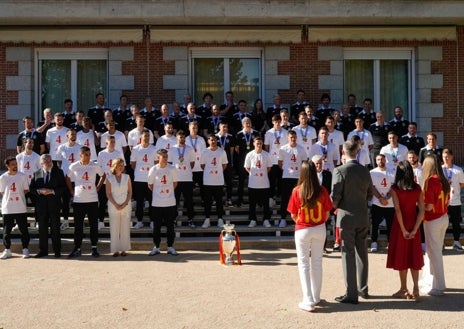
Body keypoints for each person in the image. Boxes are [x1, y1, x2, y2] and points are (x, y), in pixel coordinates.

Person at [287, 160, 333, 312]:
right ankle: (315, 296)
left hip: (302, 229)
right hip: (319, 228)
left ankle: (307, 299)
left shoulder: (297, 191)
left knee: (304, 264)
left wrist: (303, 222)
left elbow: (293, 215)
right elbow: (327, 214)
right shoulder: (322, 190)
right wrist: (318, 223)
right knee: (317, 263)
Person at [331, 141, 373, 304]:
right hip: (362, 215)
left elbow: (335, 196)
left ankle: (351, 292)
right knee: (362, 252)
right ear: (357, 152)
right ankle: (363, 288)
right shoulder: (365, 171)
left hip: (346, 216)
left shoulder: (339, 170)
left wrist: (333, 206)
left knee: (347, 253)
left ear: (343, 151)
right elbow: (370, 193)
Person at [386, 161, 425, 300]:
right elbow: (422, 209)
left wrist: (403, 229)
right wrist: (415, 228)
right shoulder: (417, 188)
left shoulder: (395, 189)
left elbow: (397, 209)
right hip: (413, 223)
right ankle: (415, 287)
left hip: (400, 225)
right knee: (414, 256)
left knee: (402, 256)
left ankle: (403, 288)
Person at [66, 146, 106, 258]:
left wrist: (98, 187)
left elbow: (103, 175)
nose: (88, 157)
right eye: (86, 154)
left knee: (94, 225)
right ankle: (77, 248)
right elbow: (67, 178)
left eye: (89, 154)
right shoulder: (74, 166)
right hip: (79, 200)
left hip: (92, 200)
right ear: (81, 155)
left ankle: (94, 248)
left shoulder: (95, 165)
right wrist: (71, 190)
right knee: (78, 226)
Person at [419, 155, 450, 296]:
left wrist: (417, 205)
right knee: (433, 252)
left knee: (434, 253)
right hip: (443, 217)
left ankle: (438, 286)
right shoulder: (443, 180)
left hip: (433, 220)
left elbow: (429, 206)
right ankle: (429, 281)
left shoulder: (431, 181)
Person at [29, 154, 66, 258]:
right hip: (41, 207)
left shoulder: (59, 172)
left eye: (50, 161)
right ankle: (43, 251)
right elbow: (31, 189)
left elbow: (63, 188)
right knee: (42, 229)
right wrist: (39, 191)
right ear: (41, 164)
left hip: (54, 205)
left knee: (55, 229)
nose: (50, 163)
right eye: (47, 162)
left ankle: (57, 251)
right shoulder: (36, 174)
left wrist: (53, 191)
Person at [148, 149, 179, 256]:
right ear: (158, 158)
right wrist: (159, 193)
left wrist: (167, 193)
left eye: (166, 156)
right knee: (157, 227)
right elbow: (150, 185)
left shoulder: (172, 168)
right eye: (163, 156)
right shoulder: (153, 169)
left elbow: (175, 183)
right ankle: (156, 247)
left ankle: (170, 246)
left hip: (170, 202)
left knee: (170, 226)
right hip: (157, 203)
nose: (165, 158)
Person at [0, 157, 31, 259]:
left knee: (23, 230)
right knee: (6, 231)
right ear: (7, 166)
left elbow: (26, 190)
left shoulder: (23, 176)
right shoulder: (3, 177)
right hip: (8, 208)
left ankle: (25, 249)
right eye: (12, 164)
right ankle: (7, 250)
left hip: (20, 207)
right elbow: (2, 192)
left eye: (16, 164)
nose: (15, 166)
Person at [130, 128, 157, 229]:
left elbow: (155, 164)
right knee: (140, 202)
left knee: (151, 201)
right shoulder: (136, 149)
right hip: (139, 180)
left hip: (150, 180)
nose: (146, 138)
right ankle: (139, 221)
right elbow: (133, 165)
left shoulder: (153, 149)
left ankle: (152, 221)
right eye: (145, 136)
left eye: (148, 136)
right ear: (140, 137)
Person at [168, 130, 196, 228]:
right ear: (177, 138)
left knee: (189, 200)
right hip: (176, 179)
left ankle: (190, 219)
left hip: (187, 178)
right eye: (180, 137)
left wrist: (185, 170)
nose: (182, 139)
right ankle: (173, 219)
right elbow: (170, 164)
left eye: (183, 137)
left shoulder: (189, 149)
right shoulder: (172, 149)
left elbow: (192, 163)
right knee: (174, 200)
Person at [200, 135, 228, 228]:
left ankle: (220, 219)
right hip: (208, 181)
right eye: (211, 140)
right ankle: (207, 219)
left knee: (219, 201)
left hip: (218, 181)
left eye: (214, 140)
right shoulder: (204, 151)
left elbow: (224, 165)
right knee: (207, 201)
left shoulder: (222, 152)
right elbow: (202, 165)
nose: (213, 141)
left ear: (217, 141)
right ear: (208, 141)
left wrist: (217, 171)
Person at [56, 129, 82, 230]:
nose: (74, 136)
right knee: (65, 200)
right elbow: (58, 162)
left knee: (78, 200)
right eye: (72, 134)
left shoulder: (80, 147)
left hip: (77, 178)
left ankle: (79, 221)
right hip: (65, 178)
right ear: (67, 135)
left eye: (75, 134)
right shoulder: (62, 147)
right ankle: (66, 220)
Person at [106, 158, 132, 257]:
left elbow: (130, 192)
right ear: (114, 166)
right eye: (119, 165)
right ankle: (115, 249)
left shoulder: (127, 177)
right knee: (114, 228)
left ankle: (124, 249)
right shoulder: (109, 178)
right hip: (114, 206)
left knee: (125, 228)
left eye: (122, 165)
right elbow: (108, 193)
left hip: (126, 206)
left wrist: (125, 203)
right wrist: (116, 204)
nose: (121, 167)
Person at [244, 137, 272, 228]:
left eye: (260, 143)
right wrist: (253, 174)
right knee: (252, 203)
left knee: (265, 203)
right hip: (253, 183)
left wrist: (261, 174)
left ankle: (266, 219)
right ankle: (253, 219)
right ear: (253, 144)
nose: (259, 145)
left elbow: (268, 167)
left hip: (264, 183)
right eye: (257, 143)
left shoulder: (267, 155)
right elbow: (247, 167)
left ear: (262, 143)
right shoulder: (249, 155)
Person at [369, 154, 395, 252]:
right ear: (376, 161)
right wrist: (380, 198)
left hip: (390, 203)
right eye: (378, 159)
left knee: (390, 224)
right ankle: (374, 242)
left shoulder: (392, 172)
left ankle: (390, 243)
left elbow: (393, 187)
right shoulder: (372, 172)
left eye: (382, 159)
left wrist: (387, 198)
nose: (380, 161)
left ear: (385, 160)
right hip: (376, 202)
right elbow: (372, 187)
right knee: (375, 223)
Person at [441, 149, 464, 251]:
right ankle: (441, 243)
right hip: (442, 202)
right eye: (444, 157)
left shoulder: (458, 170)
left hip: (455, 201)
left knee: (456, 222)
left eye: (447, 157)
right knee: (442, 223)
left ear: (452, 157)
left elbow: (461, 184)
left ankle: (456, 242)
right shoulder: (440, 169)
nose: (446, 159)